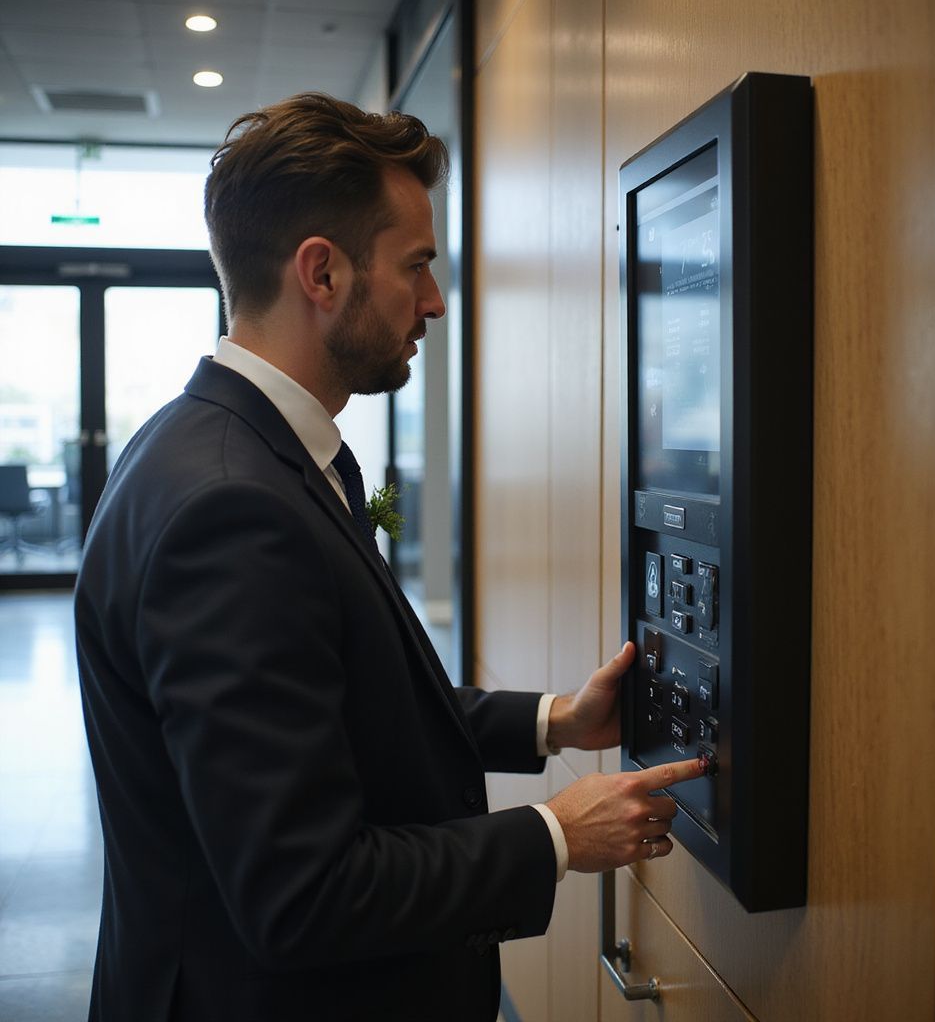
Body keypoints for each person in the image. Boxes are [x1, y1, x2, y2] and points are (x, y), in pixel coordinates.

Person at [74, 92, 704, 1022]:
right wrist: (555, 836)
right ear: (321, 274)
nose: (436, 300)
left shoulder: (216, 445)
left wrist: (558, 721)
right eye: (416, 265)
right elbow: (303, 895)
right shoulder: (231, 511)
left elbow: (338, 701)